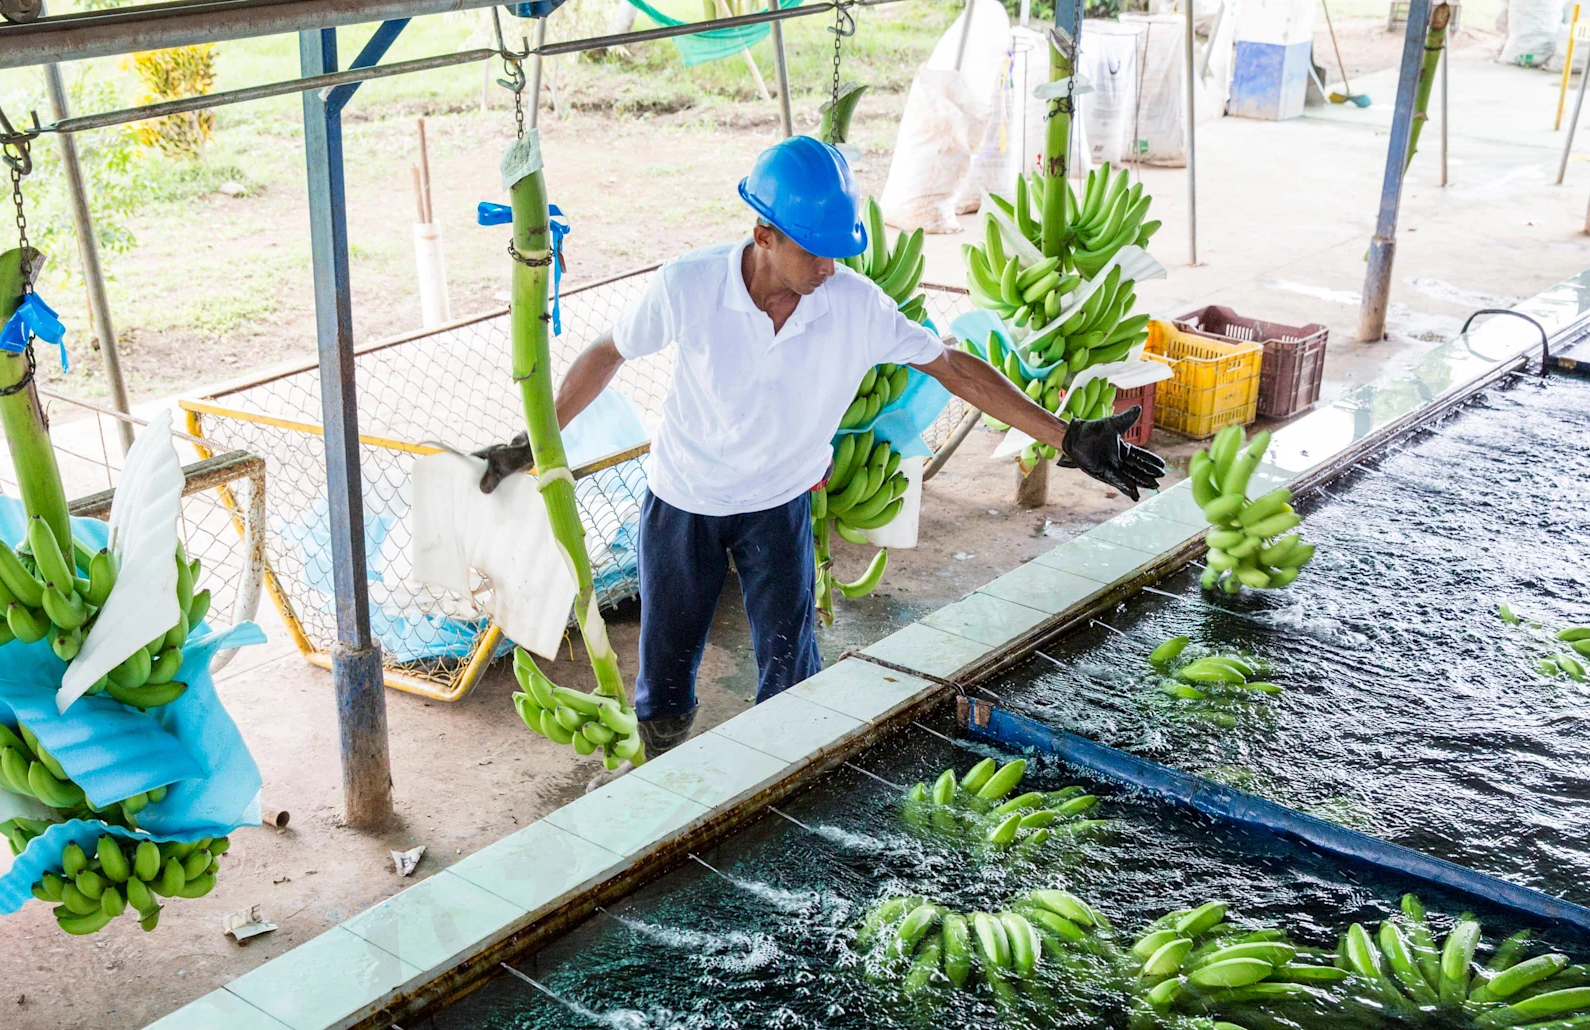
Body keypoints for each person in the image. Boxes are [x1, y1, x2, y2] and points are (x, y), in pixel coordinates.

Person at [477, 136, 1163, 758]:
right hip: (682, 500)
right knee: (664, 681)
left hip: (779, 507)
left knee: (791, 677)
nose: (830, 266)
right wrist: (534, 439)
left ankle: (779, 782)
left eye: (839, 249)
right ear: (763, 234)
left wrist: (1064, 434)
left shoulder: (856, 305)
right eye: (815, 250)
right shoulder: (689, 284)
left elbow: (949, 363)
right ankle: (663, 766)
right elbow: (605, 353)